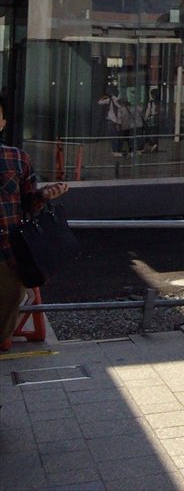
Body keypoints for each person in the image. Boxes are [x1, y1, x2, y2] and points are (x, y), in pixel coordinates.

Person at [1, 98, 70, 349]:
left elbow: (29, 203)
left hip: (7, 253)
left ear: (3, 122)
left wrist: (44, 195)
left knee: (4, 330)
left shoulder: (17, 158)